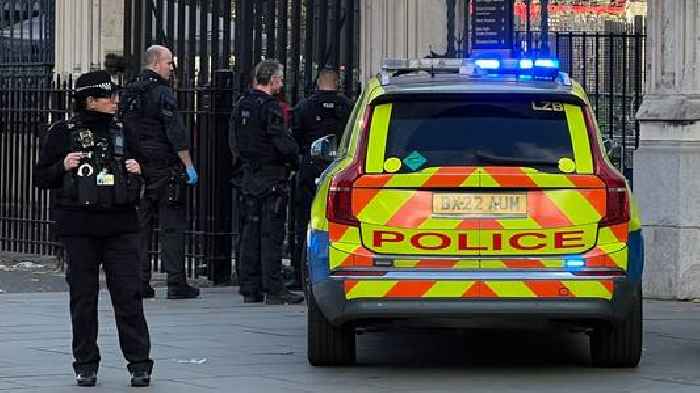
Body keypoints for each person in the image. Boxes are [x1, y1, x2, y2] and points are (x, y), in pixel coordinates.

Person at [33, 70, 153, 387]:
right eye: (108, 97)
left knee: (128, 296)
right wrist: (63, 166)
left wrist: (139, 169)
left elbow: (150, 170)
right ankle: (86, 364)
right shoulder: (62, 132)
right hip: (79, 228)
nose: (115, 101)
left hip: (121, 225)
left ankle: (139, 363)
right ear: (90, 100)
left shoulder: (124, 131)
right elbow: (40, 177)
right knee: (83, 299)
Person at [121, 45, 200, 299]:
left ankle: (141, 281)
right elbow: (175, 131)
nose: (172, 67)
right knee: (172, 226)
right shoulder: (162, 92)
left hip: (137, 166)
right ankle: (176, 282)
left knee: (140, 226)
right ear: (155, 64)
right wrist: (188, 165)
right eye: (169, 63)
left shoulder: (129, 91)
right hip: (164, 167)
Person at [229, 59, 304, 305]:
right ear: (272, 80)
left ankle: (249, 287)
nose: (281, 84)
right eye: (280, 79)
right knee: (271, 235)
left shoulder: (242, 104)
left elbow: (235, 141)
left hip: (249, 176)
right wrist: (296, 158)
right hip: (271, 177)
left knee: (250, 231)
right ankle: (273, 288)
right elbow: (280, 140)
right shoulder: (270, 107)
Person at [290, 68, 352, 288]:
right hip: (340, 171)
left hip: (310, 168)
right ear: (338, 83)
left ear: (317, 82)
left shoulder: (304, 106)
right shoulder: (348, 106)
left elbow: (294, 137)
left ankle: (300, 275)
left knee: (305, 222)